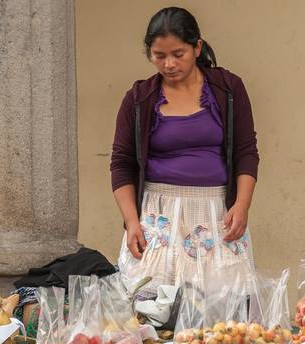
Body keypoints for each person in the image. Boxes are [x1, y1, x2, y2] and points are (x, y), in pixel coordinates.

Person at [111, 6, 259, 297]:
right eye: (159, 56)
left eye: (178, 54)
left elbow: (246, 151)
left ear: (197, 47)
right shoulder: (139, 99)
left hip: (215, 214)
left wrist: (242, 205)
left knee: (221, 310)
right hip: (158, 216)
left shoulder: (228, 90)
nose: (169, 64)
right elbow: (121, 163)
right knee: (152, 307)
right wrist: (131, 222)